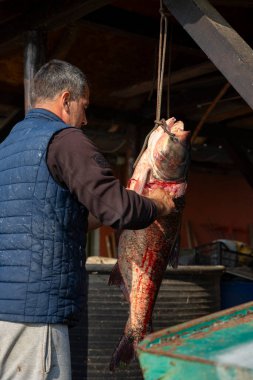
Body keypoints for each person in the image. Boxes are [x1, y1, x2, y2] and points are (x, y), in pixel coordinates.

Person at [0, 59, 176, 380]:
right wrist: (159, 205)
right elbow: (118, 210)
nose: (85, 118)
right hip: (37, 321)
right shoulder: (66, 140)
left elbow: (48, 219)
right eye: (84, 106)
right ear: (66, 99)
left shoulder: (8, 147)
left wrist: (112, 203)